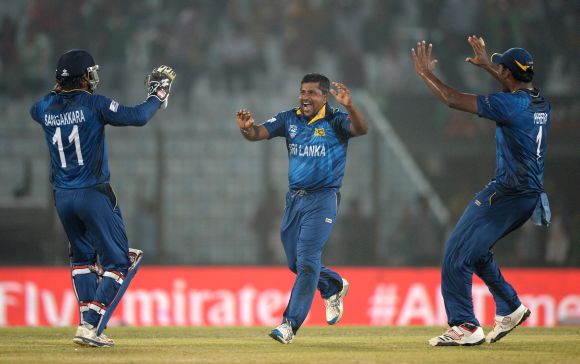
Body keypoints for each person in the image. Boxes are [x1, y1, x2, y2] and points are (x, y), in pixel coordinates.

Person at [411, 36, 551, 346]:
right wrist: (490, 65)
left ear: (508, 75)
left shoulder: (510, 105)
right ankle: (511, 306)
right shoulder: (540, 101)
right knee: (476, 253)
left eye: (502, 68)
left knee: (455, 254)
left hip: (506, 194)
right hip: (528, 197)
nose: (498, 71)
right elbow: (513, 86)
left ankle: (465, 326)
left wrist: (424, 74)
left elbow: (450, 98)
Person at [30, 49, 175, 347]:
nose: (93, 78)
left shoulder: (43, 107)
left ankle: (86, 323)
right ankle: (91, 324)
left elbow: (36, 108)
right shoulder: (94, 104)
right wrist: (157, 96)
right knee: (119, 262)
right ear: (83, 77)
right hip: (93, 194)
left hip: (62, 196)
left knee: (82, 259)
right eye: (89, 73)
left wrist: (60, 90)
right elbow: (137, 117)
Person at [235, 73, 368, 344]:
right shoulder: (289, 118)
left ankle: (289, 325)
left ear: (324, 96)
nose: (304, 97)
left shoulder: (335, 120)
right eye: (302, 92)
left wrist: (351, 107)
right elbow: (258, 133)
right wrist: (247, 129)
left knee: (307, 261)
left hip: (323, 199)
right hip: (294, 200)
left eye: (311, 93)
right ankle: (332, 285)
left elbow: (362, 129)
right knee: (296, 263)